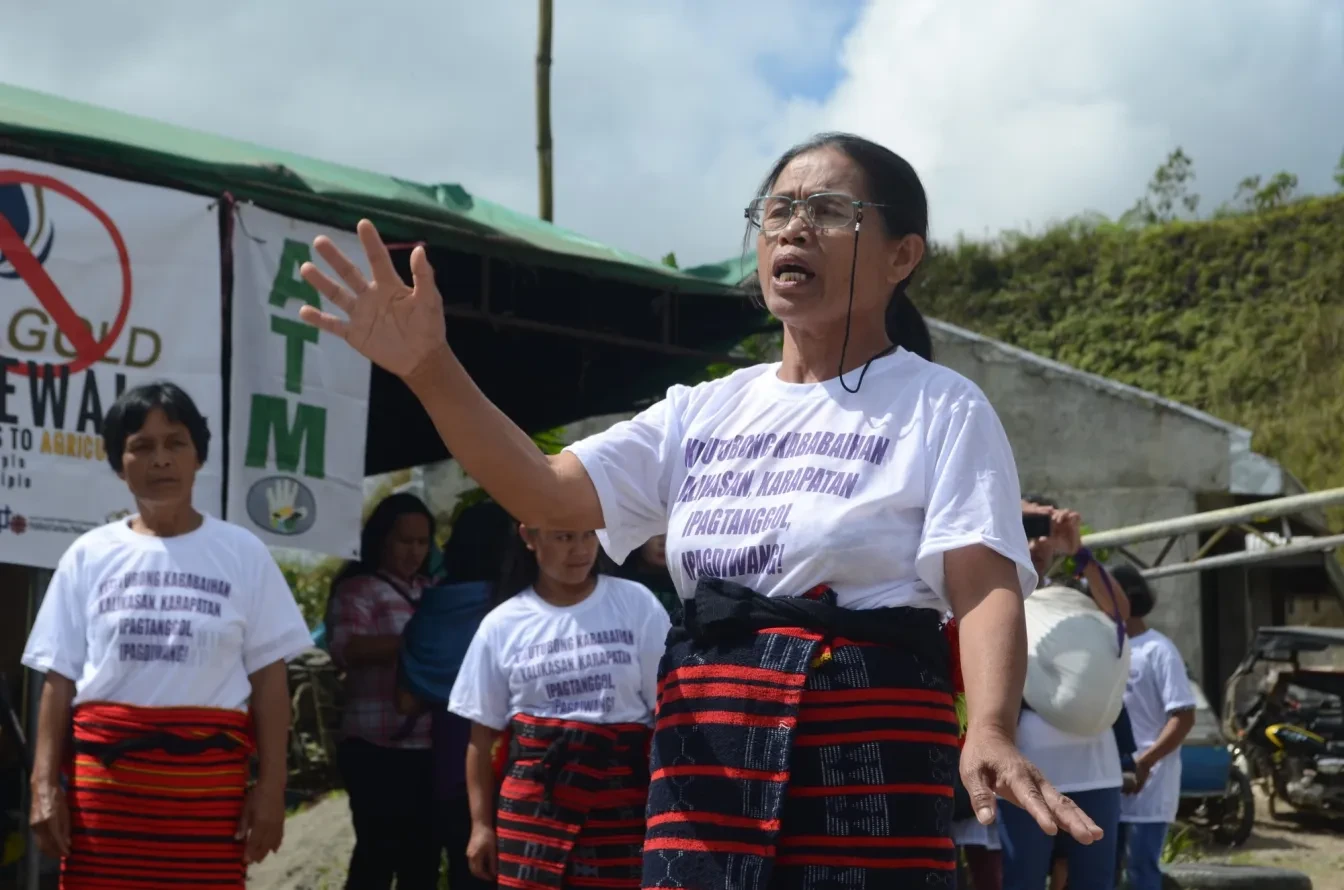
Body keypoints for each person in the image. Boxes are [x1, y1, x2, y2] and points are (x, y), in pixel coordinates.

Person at [296, 131, 1101, 888]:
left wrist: (990, 724)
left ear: (902, 255)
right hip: (706, 747)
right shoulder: (701, 410)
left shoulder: (941, 406)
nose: (794, 227)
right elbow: (545, 490)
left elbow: (983, 579)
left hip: (865, 742)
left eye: (828, 211)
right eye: (778, 210)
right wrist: (431, 368)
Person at [21, 382, 311, 889]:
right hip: (106, 799)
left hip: (206, 798)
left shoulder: (243, 554)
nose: (161, 460)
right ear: (118, 463)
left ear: (198, 456)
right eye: (141, 446)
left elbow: (270, 683)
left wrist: (271, 787)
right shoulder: (88, 555)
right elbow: (59, 677)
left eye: (175, 443)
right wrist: (43, 784)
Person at [448, 524, 670, 888]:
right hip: (534, 807)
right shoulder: (501, 626)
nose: (580, 549)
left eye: (588, 535)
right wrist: (481, 826)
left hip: (623, 803)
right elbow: (479, 739)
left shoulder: (636, 603)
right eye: (564, 537)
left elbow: (666, 713)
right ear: (530, 537)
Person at [999, 499, 1130, 890]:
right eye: (1026, 532)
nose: (1037, 544)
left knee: (1095, 882)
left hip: (1096, 767)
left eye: (1044, 534)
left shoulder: (1072, 593)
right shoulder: (995, 591)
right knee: (1023, 878)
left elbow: (1122, 614)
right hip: (1028, 762)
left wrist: (1081, 554)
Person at [326, 492, 439, 890]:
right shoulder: (358, 589)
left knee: (422, 859)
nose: (414, 551)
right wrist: (420, 643)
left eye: (422, 542)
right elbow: (346, 649)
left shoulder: (434, 590)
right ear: (381, 540)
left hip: (427, 747)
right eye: (404, 541)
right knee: (376, 854)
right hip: (373, 747)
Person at [400, 497, 514, 890]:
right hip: (510, 766)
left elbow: (406, 699)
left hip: (449, 765)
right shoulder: (513, 609)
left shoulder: (431, 606)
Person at [1114, 564, 1196, 890]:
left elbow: (1184, 716)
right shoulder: (1109, 648)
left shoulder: (1159, 650)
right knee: (1108, 873)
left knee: (1140, 871)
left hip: (1149, 787)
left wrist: (1145, 762)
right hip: (1113, 783)